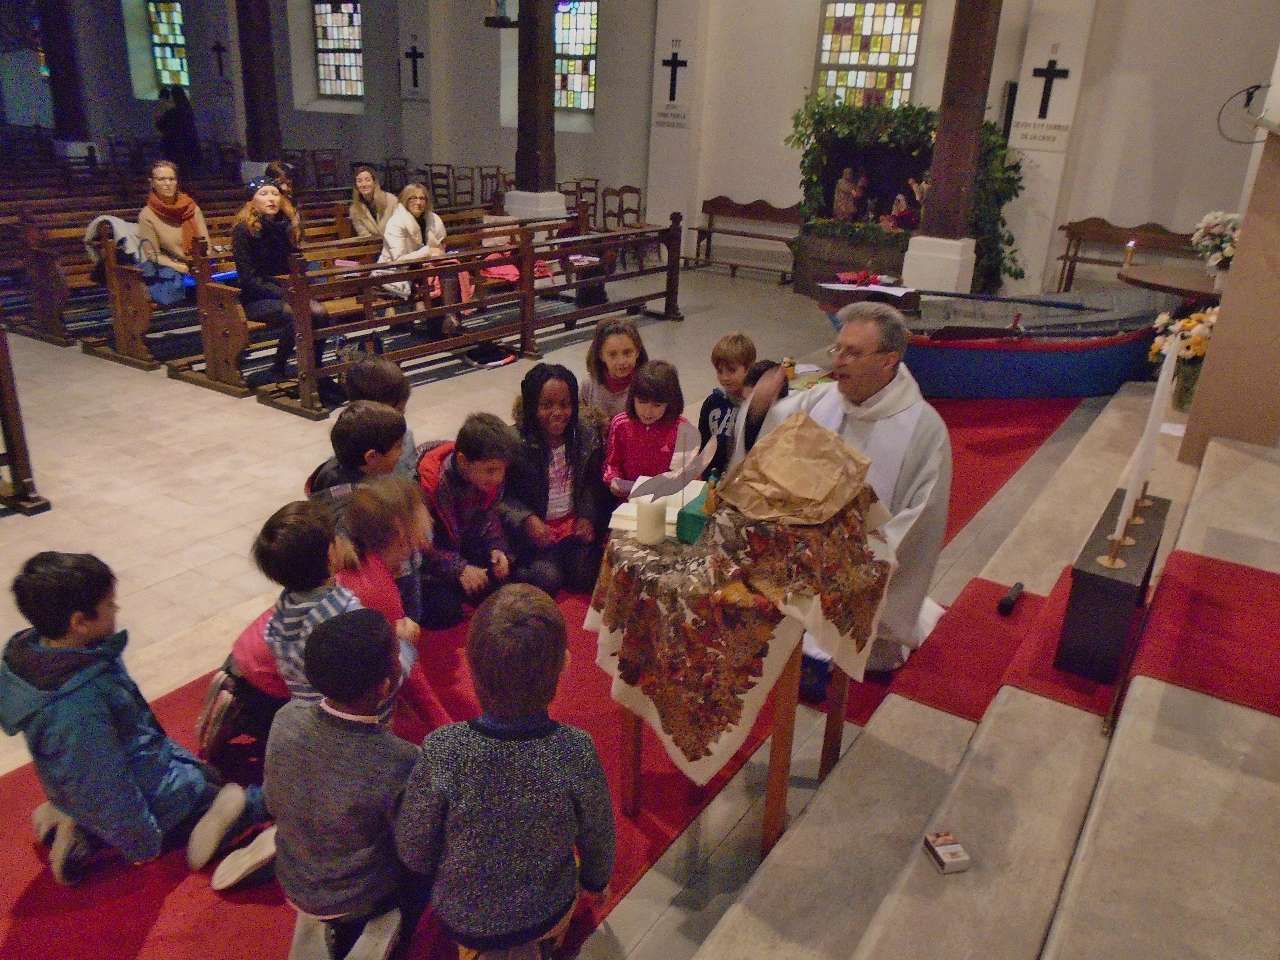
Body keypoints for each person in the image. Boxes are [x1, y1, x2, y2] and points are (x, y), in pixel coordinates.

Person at [0, 552, 266, 885]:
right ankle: (252, 811)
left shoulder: (58, 657)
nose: (117, 610)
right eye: (110, 605)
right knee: (229, 799)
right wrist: (143, 842)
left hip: (124, 774)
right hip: (153, 793)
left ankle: (79, 823)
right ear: (79, 622)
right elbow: (103, 781)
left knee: (207, 779)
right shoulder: (76, 704)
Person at [733, 302, 951, 681]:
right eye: (838, 348)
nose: (838, 360)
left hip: (859, 568)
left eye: (853, 352)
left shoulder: (923, 429)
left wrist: (850, 560)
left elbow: (920, 523)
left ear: (888, 360)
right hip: (802, 563)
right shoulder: (821, 400)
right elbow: (770, 436)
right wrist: (759, 409)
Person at [395, 585, 615, 959]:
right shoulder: (575, 749)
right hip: (545, 913)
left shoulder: (443, 748)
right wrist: (596, 883)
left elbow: (414, 849)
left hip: (462, 918)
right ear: (563, 665)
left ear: (471, 667)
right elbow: (598, 834)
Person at [264, 610, 429, 958]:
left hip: (292, 879)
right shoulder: (399, 759)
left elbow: (273, 799)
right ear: (385, 685)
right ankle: (387, 923)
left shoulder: (286, 718)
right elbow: (415, 851)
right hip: (361, 896)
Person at [336, 477, 452, 732]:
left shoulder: (363, 565)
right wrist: (444, 727)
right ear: (400, 529)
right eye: (424, 512)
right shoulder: (376, 590)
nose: (431, 521)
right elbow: (403, 669)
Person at [502, 364, 610, 596]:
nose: (558, 413)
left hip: (571, 526)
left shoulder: (584, 434)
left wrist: (587, 516)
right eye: (546, 405)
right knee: (548, 579)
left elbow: (592, 483)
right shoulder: (515, 442)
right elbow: (501, 495)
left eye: (565, 404)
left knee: (586, 575)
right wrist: (527, 519)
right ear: (532, 407)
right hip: (535, 531)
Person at [417, 412, 521, 629]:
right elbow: (419, 546)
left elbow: (490, 519)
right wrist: (459, 569)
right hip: (433, 562)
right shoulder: (428, 486)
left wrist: (497, 550)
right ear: (463, 461)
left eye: (502, 470)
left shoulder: (488, 480)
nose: (499, 478)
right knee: (445, 611)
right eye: (491, 470)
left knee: (506, 587)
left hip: (466, 548)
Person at [255, 502, 364, 703]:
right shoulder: (347, 611)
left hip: (305, 710)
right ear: (331, 554)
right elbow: (375, 669)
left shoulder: (284, 609)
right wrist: (405, 644)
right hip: (350, 709)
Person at [231, 176, 332, 382]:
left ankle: (316, 368)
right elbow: (249, 279)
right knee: (302, 313)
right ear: (251, 200)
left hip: (287, 292)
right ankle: (278, 367)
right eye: (264, 194)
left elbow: (293, 263)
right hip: (256, 298)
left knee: (321, 313)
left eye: (275, 194)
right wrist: (286, 292)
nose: (271, 199)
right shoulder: (243, 231)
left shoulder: (283, 226)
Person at [377, 182, 467, 334]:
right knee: (443, 272)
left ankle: (449, 320)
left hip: (426, 267)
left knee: (450, 268)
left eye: (422, 198)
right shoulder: (396, 223)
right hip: (397, 271)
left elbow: (440, 246)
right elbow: (398, 260)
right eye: (413, 198)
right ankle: (449, 322)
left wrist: (437, 253)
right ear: (405, 200)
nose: (418, 202)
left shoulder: (433, 219)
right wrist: (427, 252)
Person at [603, 360, 699, 500]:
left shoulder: (683, 431)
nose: (648, 412)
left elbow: (690, 476)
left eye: (657, 405)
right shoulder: (621, 425)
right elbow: (612, 463)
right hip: (628, 500)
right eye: (641, 402)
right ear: (632, 398)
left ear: (670, 403)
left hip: (666, 501)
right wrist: (613, 479)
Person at [344, 356, 418, 478]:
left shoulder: (405, 435)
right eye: (399, 411)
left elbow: (411, 475)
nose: (402, 417)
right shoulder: (348, 448)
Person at [698, 332, 757, 480]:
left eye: (731, 370)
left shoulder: (757, 406)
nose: (724, 377)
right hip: (714, 480)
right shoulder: (712, 403)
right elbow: (703, 445)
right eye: (719, 371)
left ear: (749, 368)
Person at [136, 159, 208, 275]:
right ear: (152, 183)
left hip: (199, 264)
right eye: (161, 179)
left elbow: (206, 244)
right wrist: (176, 266)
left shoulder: (192, 208)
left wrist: (200, 264)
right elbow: (153, 254)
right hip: (171, 269)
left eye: (172, 179)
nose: (167, 183)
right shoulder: (146, 215)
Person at [580, 317, 649, 425]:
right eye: (612, 354)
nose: (621, 361)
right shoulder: (588, 386)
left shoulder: (647, 387)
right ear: (601, 355)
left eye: (627, 353)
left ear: (637, 351)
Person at [155, 86, 201, 172]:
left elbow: (160, 125)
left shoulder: (173, 112)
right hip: (189, 146)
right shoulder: (188, 110)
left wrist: (161, 111)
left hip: (175, 148)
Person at [349, 165, 397, 239]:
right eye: (359, 181)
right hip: (373, 244)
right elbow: (364, 235)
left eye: (367, 180)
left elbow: (399, 228)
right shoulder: (354, 209)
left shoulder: (391, 200)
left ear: (374, 182)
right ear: (355, 185)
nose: (364, 184)